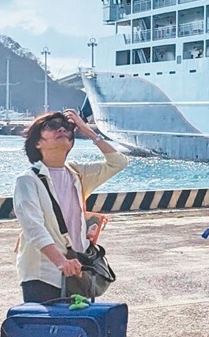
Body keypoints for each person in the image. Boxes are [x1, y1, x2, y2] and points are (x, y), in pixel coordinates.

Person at [12, 109, 128, 302]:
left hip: (76, 268)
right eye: (52, 126)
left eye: (67, 127)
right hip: (44, 273)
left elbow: (118, 162)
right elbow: (33, 227)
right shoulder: (27, 180)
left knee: (76, 329)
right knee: (45, 330)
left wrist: (87, 130)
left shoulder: (76, 173)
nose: (62, 129)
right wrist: (60, 262)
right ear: (37, 142)